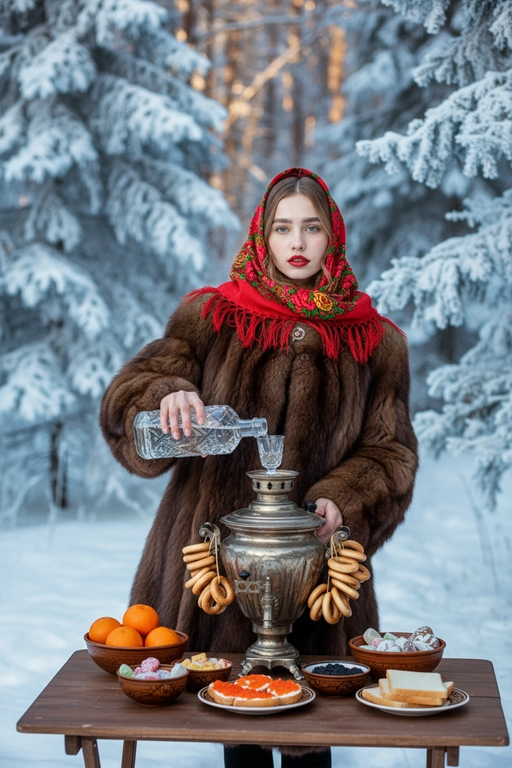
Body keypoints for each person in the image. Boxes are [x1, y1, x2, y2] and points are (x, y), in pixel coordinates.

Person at [100, 167, 419, 768]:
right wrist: (163, 395)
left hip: (321, 577)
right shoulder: (211, 317)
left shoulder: (375, 343)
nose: (297, 243)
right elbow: (128, 398)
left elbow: (392, 453)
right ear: (262, 237)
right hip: (210, 576)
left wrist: (343, 502)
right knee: (236, 741)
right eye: (282, 228)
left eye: (312, 228)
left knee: (314, 744)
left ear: (333, 237)